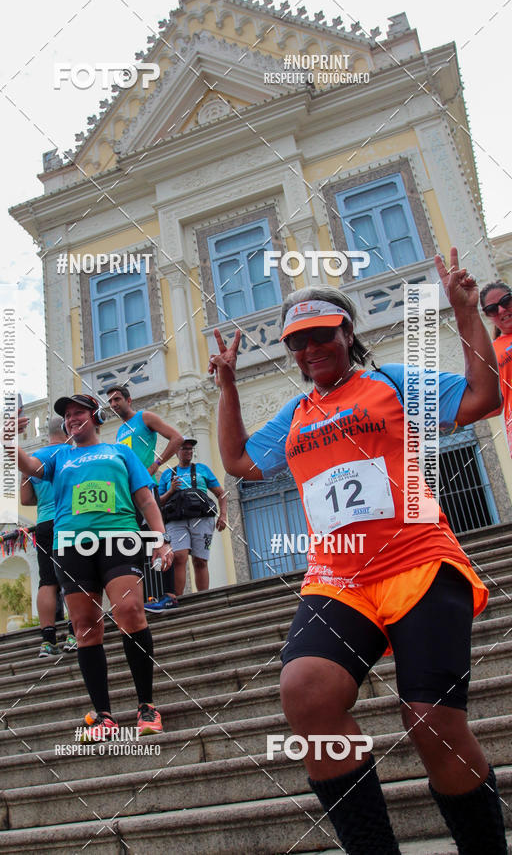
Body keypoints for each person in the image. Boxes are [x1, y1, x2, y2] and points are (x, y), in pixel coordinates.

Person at [209, 249, 507, 854]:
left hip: (419, 564)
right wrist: (228, 386)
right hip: (337, 580)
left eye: (321, 335)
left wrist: (465, 313)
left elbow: (483, 400)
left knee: (430, 723)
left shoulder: (392, 381)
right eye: (298, 342)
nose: (310, 349)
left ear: (347, 332)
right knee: (306, 695)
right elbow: (239, 462)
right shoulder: (295, 413)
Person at [8, 393, 173, 736]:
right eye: (67, 415)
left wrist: (160, 539)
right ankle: (104, 716)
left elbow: (145, 498)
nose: (71, 419)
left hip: (119, 539)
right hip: (71, 545)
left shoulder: (120, 452)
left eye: (78, 412)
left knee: (130, 610)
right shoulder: (59, 456)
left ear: (95, 416)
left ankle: (146, 706)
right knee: (84, 627)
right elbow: (27, 468)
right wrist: (7, 439)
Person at [107, 384, 183, 612]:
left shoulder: (145, 417)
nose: (113, 404)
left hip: (147, 489)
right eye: (110, 401)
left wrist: (155, 465)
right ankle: (149, 596)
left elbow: (177, 438)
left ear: (128, 400)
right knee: (140, 544)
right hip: (129, 494)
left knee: (159, 538)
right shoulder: (120, 432)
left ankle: (169, 595)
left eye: (117, 399)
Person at [20, 416, 75, 657]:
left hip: (43, 523)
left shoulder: (34, 460)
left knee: (47, 581)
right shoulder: (72, 453)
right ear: (65, 429)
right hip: (69, 521)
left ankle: (47, 640)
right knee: (75, 578)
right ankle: (74, 634)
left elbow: (25, 499)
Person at [157, 438, 227, 597]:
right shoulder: (168, 474)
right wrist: (171, 491)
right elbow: (158, 501)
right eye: (184, 448)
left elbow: (221, 494)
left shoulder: (202, 469)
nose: (188, 451)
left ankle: (203, 599)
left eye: (190, 449)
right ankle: (178, 598)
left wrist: (223, 515)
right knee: (179, 557)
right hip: (176, 520)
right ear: (176, 451)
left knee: (200, 560)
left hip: (202, 519)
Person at [479, 280, 511, 451]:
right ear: (488, 316)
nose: (501, 310)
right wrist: (455, 417)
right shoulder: (492, 353)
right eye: (492, 309)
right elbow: (493, 405)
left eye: (506, 301)